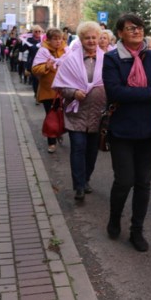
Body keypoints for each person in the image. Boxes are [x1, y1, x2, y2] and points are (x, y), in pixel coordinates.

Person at [103, 13, 151, 252]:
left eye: (140, 27)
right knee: (124, 180)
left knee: (143, 183)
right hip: (122, 130)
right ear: (120, 33)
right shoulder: (112, 59)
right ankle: (114, 218)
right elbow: (114, 92)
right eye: (130, 28)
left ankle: (136, 230)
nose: (137, 31)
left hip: (149, 131)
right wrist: (149, 93)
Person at [52, 21, 106, 201]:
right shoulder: (70, 59)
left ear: (99, 39)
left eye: (94, 37)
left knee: (92, 151)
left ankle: (86, 179)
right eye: (87, 37)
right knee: (78, 148)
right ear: (81, 39)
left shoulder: (106, 59)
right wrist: (74, 93)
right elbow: (60, 85)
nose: (91, 41)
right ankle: (79, 186)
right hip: (76, 114)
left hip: (97, 114)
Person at [32, 28, 69, 154]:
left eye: (60, 38)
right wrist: (46, 66)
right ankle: (51, 142)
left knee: (62, 115)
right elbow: (35, 69)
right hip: (49, 90)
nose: (58, 41)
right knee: (51, 115)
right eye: (55, 39)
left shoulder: (67, 50)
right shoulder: (43, 51)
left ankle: (58, 132)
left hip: (64, 90)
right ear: (49, 39)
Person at [22, 25, 44, 99]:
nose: (37, 33)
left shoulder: (43, 40)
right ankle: (36, 94)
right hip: (33, 63)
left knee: (42, 81)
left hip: (43, 63)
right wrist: (21, 42)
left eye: (39, 31)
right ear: (33, 32)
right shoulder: (29, 40)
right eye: (36, 31)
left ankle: (40, 95)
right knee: (35, 81)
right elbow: (22, 49)